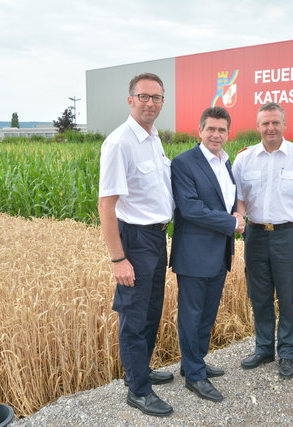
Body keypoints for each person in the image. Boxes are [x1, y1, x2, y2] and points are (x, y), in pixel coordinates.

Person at [98, 72, 175, 417]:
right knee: (133, 314)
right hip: (136, 239)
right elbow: (106, 205)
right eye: (143, 97)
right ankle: (138, 390)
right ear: (130, 100)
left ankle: (141, 369)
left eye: (156, 98)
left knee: (152, 310)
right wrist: (118, 259)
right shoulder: (119, 143)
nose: (150, 103)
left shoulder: (153, 138)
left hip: (158, 237)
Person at [233, 102, 293, 379]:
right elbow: (238, 198)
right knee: (258, 296)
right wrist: (239, 216)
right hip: (256, 235)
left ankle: (286, 353)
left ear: (284, 124)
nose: (270, 128)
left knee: (288, 297)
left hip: (289, 235)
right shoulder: (244, 159)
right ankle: (263, 349)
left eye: (275, 122)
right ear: (257, 126)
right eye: (265, 123)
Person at [170, 106, 245, 402]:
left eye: (221, 130)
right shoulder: (184, 163)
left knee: (207, 313)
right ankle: (194, 376)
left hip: (218, 252)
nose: (216, 134)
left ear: (228, 133)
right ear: (199, 131)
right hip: (194, 253)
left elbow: (227, 199)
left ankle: (194, 363)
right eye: (210, 129)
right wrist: (232, 222)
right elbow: (190, 209)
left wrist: (237, 211)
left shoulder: (225, 162)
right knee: (191, 314)